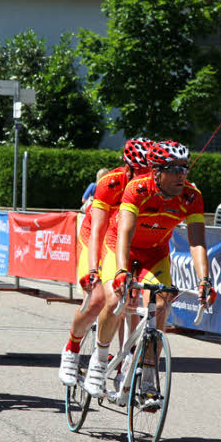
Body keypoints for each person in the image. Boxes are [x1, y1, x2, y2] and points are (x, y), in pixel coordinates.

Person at [86, 141, 216, 401]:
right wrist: (122, 271)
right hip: (121, 246)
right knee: (113, 298)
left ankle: (147, 377)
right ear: (156, 171)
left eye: (184, 168)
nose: (182, 175)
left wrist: (204, 280)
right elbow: (124, 232)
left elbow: (197, 242)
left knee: (160, 304)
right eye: (174, 169)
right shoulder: (138, 188)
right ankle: (99, 361)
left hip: (155, 253)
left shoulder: (191, 196)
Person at [59, 139, 153, 386]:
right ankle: (71, 349)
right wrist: (93, 272)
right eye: (140, 172)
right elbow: (98, 230)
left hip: (125, 239)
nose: (144, 177)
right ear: (127, 167)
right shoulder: (110, 182)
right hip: (97, 237)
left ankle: (125, 363)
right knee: (100, 298)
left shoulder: (152, 186)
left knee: (130, 301)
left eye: (149, 171)